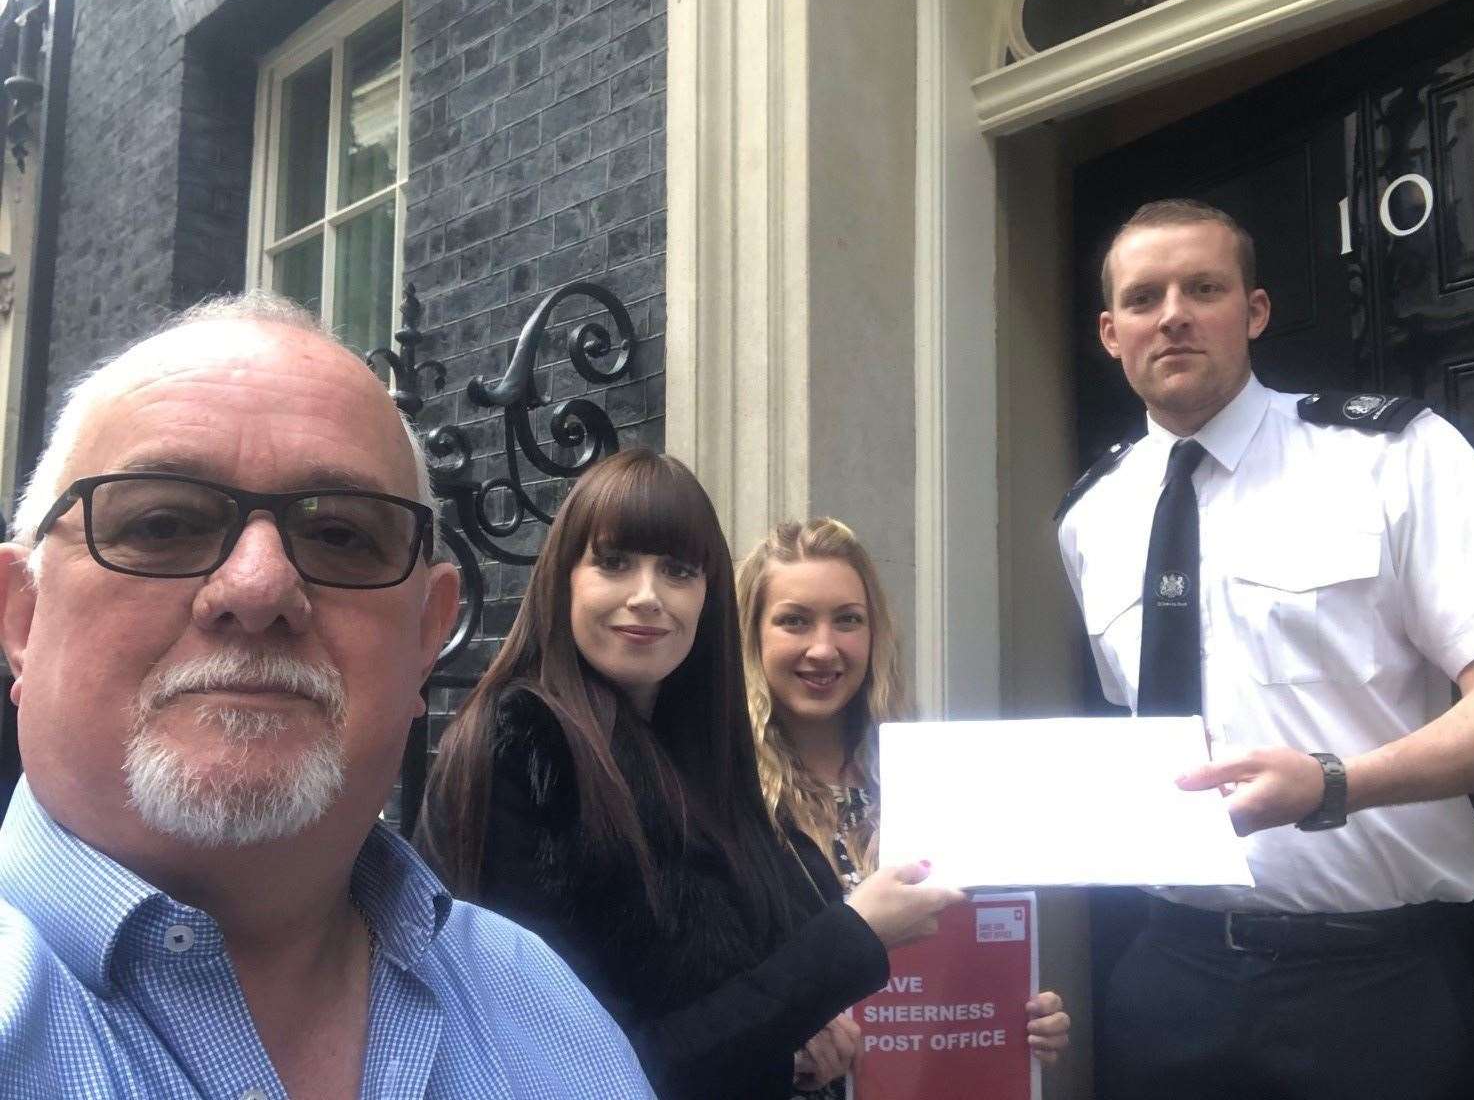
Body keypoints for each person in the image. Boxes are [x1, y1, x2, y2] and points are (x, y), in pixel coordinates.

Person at [0, 292, 653, 1098]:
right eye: (163, 523)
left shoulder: (546, 1013)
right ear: (23, 614)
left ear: (426, 637)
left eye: (341, 534)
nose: (260, 584)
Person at [1056, 198, 1474, 1100]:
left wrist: (1332, 785)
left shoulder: (1391, 457)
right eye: (1143, 297)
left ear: (1255, 311)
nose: (1173, 314)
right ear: (1109, 332)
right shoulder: (1089, 519)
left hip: (1371, 988)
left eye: (1204, 287)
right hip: (1167, 978)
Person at [415, 449, 962, 1100]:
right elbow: (585, 1068)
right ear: (565, 577)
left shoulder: (698, 760)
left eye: (676, 570)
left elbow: (735, 1008)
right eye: (614, 563)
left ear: (707, 596)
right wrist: (851, 943)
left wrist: (795, 1037)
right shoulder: (522, 751)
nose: (646, 597)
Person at [737, 518, 1074, 1095]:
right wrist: (784, 1046)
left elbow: (970, 950)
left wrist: (1014, 1012)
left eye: (848, 620)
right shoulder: (722, 795)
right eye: (794, 620)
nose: (824, 647)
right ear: (751, 636)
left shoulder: (930, 781)